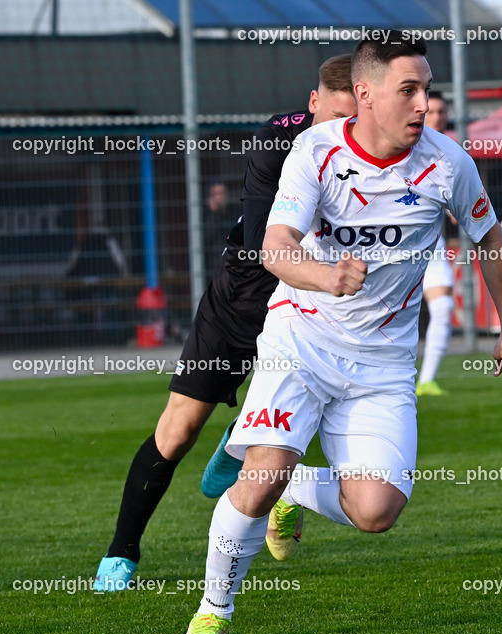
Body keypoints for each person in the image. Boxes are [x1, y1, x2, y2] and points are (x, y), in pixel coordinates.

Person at [178, 38, 502, 634]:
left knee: (375, 512)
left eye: (426, 88)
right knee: (258, 479)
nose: (425, 103)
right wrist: (326, 276)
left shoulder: (448, 162)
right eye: (410, 90)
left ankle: (295, 487)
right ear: (365, 94)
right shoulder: (314, 152)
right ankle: (214, 610)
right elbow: (276, 247)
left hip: (383, 361)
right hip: (302, 338)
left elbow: (490, 242)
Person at [91, 55, 357, 592]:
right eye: (332, 117)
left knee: (306, 418)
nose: (339, 132)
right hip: (243, 296)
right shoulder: (278, 141)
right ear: (313, 102)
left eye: (351, 121)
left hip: (315, 304)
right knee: (178, 429)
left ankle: (264, 462)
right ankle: (121, 552)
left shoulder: (376, 149)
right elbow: (267, 245)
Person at [416, 90, 455, 396]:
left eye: (443, 111)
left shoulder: (453, 150)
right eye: (434, 111)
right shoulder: (406, 145)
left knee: (442, 308)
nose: (439, 116)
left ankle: (426, 380)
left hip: (433, 246)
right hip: (392, 247)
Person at [202, 180, 234, 282]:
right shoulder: (203, 214)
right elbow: (205, 238)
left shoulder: (235, 211)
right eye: (215, 194)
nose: (219, 198)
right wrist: (214, 213)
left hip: (232, 262)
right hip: (212, 265)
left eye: (221, 193)